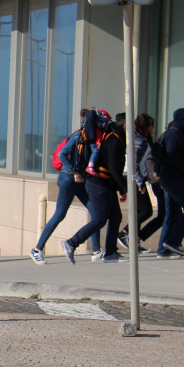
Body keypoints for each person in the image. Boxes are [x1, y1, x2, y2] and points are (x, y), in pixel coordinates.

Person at [59, 109, 128, 264]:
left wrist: (119, 188)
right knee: (99, 219)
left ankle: (110, 253)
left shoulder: (114, 137)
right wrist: (124, 188)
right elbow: (114, 167)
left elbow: (112, 168)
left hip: (106, 183)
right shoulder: (114, 139)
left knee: (116, 217)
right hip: (98, 184)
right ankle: (71, 243)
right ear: (125, 126)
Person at [30, 109, 98, 265]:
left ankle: (97, 251)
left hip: (79, 178)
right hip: (69, 178)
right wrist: (74, 172)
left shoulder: (91, 137)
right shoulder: (78, 135)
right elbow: (62, 154)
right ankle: (36, 249)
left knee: (96, 213)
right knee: (60, 214)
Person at [155, 108, 184, 258]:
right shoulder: (175, 134)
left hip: (170, 178)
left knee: (172, 214)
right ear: (183, 119)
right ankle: (173, 242)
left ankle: (163, 250)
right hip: (172, 178)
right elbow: (171, 156)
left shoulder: (175, 133)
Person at [119, 113, 165, 252]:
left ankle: (134, 243)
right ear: (146, 126)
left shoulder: (142, 139)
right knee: (146, 211)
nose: (153, 128)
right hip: (133, 178)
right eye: (151, 125)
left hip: (136, 178)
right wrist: (140, 183)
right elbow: (135, 163)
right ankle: (124, 234)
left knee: (140, 210)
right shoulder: (140, 141)